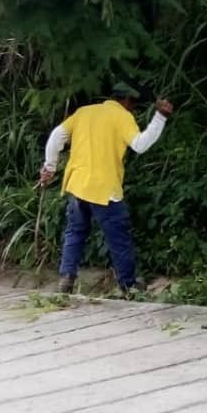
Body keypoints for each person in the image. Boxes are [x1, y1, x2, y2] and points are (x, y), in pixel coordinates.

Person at [40, 82, 173, 296]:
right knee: (118, 237)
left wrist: (49, 166)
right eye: (134, 105)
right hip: (105, 190)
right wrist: (160, 118)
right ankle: (128, 285)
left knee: (74, 233)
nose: (133, 110)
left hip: (77, 186)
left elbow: (56, 136)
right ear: (127, 101)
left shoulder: (84, 112)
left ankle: (66, 279)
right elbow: (140, 145)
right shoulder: (122, 117)